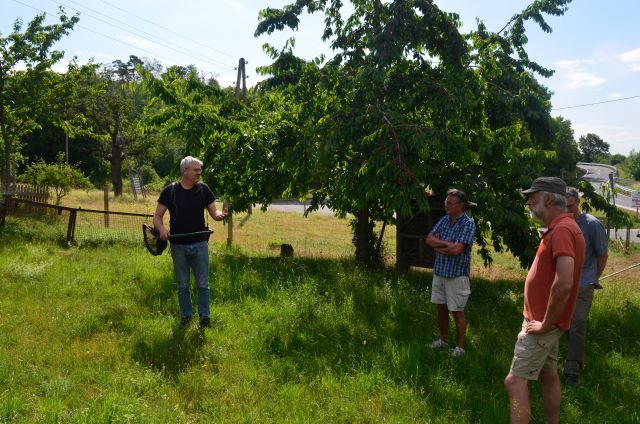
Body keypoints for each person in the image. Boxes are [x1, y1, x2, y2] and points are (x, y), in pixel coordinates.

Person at [504, 177, 585, 424]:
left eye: (533, 197)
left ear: (548, 199)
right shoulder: (563, 227)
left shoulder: (562, 230)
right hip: (544, 321)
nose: (529, 203)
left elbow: (564, 284)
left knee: (514, 381)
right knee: (548, 374)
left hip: (541, 324)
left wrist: (545, 323)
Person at [153, 156, 228, 328]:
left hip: (200, 244)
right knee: (183, 285)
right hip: (178, 246)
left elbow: (214, 211)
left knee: (203, 284)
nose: (199, 173)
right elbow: (157, 216)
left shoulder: (204, 190)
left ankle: (205, 319)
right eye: (196, 170)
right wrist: (162, 230)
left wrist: (219, 216)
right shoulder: (170, 191)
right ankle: (186, 317)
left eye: (199, 170)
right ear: (185, 171)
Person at [563, 187, 608, 386]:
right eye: (563, 207)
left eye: (570, 206)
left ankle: (572, 369)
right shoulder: (560, 224)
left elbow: (602, 255)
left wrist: (594, 277)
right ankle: (550, 362)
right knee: (560, 323)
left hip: (584, 283)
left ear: (578, 203)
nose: (567, 210)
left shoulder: (592, 224)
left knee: (578, 322)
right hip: (562, 283)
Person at [425, 188, 476, 357]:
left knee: (457, 311)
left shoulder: (468, 224)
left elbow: (456, 250)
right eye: (446, 202)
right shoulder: (444, 219)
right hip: (440, 271)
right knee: (441, 308)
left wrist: (439, 245)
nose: (446, 205)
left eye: (450, 203)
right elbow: (428, 240)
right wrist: (448, 245)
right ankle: (443, 340)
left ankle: (460, 348)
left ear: (461, 206)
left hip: (456, 275)